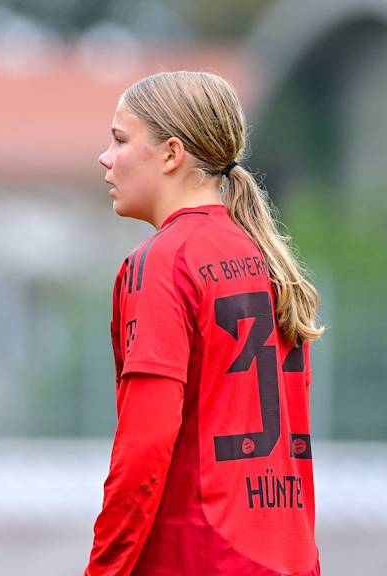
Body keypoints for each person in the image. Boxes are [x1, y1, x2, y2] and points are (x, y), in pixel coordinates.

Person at [85, 71, 324, 575]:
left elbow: (144, 446)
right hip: (289, 557)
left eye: (120, 140)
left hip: (198, 555)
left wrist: (103, 570)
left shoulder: (164, 261)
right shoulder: (267, 258)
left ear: (172, 154)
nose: (106, 158)